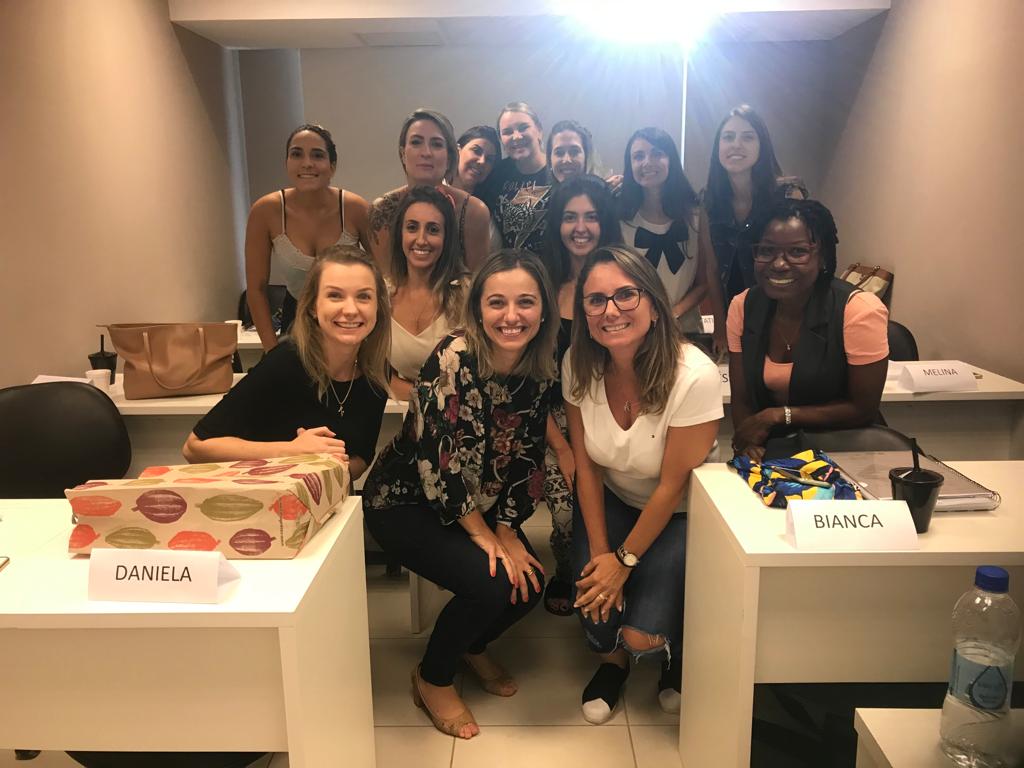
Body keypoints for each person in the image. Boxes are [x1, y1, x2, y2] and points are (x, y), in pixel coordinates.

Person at [362, 250, 560, 740]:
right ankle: (432, 677)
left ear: (543, 310)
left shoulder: (540, 366)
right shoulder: (453, 357)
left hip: (477, 502)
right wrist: (481, 534)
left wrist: (507, 528)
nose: (511, 316)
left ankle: (471, 645)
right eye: (497, 302)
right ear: (478, 309)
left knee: (530, 582)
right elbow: (439, 461)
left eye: (525, 302)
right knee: (492, 583)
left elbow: (529, 455)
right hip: (406, 500)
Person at [563, 245, 723, 724]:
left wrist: (624, 562)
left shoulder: (694, 375)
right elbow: (586, 466)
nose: (610, 311)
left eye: (626, 295)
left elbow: (672, 487)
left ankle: (676, 652)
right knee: (596, 606)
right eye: (596, 300)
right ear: (584, 313)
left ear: (654, 305)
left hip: (682, 511)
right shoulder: (577, 362)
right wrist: (600, 555)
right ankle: (612, 666)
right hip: (614, 497)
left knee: (643, 635)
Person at [183, 246, 390, 481]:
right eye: (335, 295)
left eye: (363, 296)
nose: (351, 310)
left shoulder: (376, 374)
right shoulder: (285, 362)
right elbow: (194, 447)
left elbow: (361, 456)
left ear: (378, 308)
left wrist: (331, 468)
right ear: (313, 307)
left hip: (325, 498)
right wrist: (292, 451)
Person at [727, 198, 889, 461]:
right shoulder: (743, 306)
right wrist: (747, 445)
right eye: (766, 250)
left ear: (822, 256)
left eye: (797, 252)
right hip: (772, 452)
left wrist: (778, 416)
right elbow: (741, 399)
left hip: (847, 452)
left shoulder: (859, 310)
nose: (779, 264)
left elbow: (863, 408)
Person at [537, 174, 621, 615]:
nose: (581, 227)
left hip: (616, 411)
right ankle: (568, 566)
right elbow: (531, 381)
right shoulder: (541, 287)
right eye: (570, 217)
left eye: (591, 216)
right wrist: (563, 446)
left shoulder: (625, 281)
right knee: (568, 510)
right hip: (552, 420)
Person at [244, 124, 371, 349]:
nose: (307, 163)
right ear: (286, 163)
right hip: (295, 324)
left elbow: (383, 279)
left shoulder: (355, 209)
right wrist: (272, 351)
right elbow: (256, 290)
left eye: (317, 155)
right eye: (296, 154)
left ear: (332, 166)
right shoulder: (266, 211)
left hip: (350, 322)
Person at [701, 105, 807, 354]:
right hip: (734, 318)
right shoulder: (709, 202)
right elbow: (712, 270)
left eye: (748, 137)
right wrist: (720, 329)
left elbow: (801, 267)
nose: (736, 145)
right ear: (718, 147)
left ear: (762, 145)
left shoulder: (788, 195)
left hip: (782, 314)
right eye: (728, 137)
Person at [368, 109, 491, 273]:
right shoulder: (382, 209)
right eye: (416, 142)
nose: (426, 153)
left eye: (437, 144)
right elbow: (386, 279)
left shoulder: (473, 211)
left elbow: (478, 281)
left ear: (449, 158)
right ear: (403, 154)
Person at [618, 127, 708, 334]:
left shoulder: (696, 216)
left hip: (685, 330)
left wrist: (671, 315)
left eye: (657, 153)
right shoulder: (621, 220)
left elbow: (704, 282)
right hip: (636, 330)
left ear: (671, 160)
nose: (647, 162)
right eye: (638, 156)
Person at [388, 186, 469, 401]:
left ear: (446, 238)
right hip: (397, 413)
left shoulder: (469, 295)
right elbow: (374, 370)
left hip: (458, 414)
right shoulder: (381, 295)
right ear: (400, 233)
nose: (421, 240)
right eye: (412, 227)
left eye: (433, 230)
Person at [476, 102, 553, 255]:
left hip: (551, 267)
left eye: (523, 127)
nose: (516, 136)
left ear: (539, 130)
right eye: (507, 132)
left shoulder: (558, 170)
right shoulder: (497, 173)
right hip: (507, 266)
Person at [451, 125, 501, 197]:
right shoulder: (435, 186)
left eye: (489, 159)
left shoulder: (488, 201)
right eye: (476, 151)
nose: (482, 161)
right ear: (458, 150)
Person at [546, 120, 592, 184]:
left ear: (586, 157)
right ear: (550, 160)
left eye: (574, 152)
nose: (567, 160)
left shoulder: (602, 190)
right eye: (559, 153)